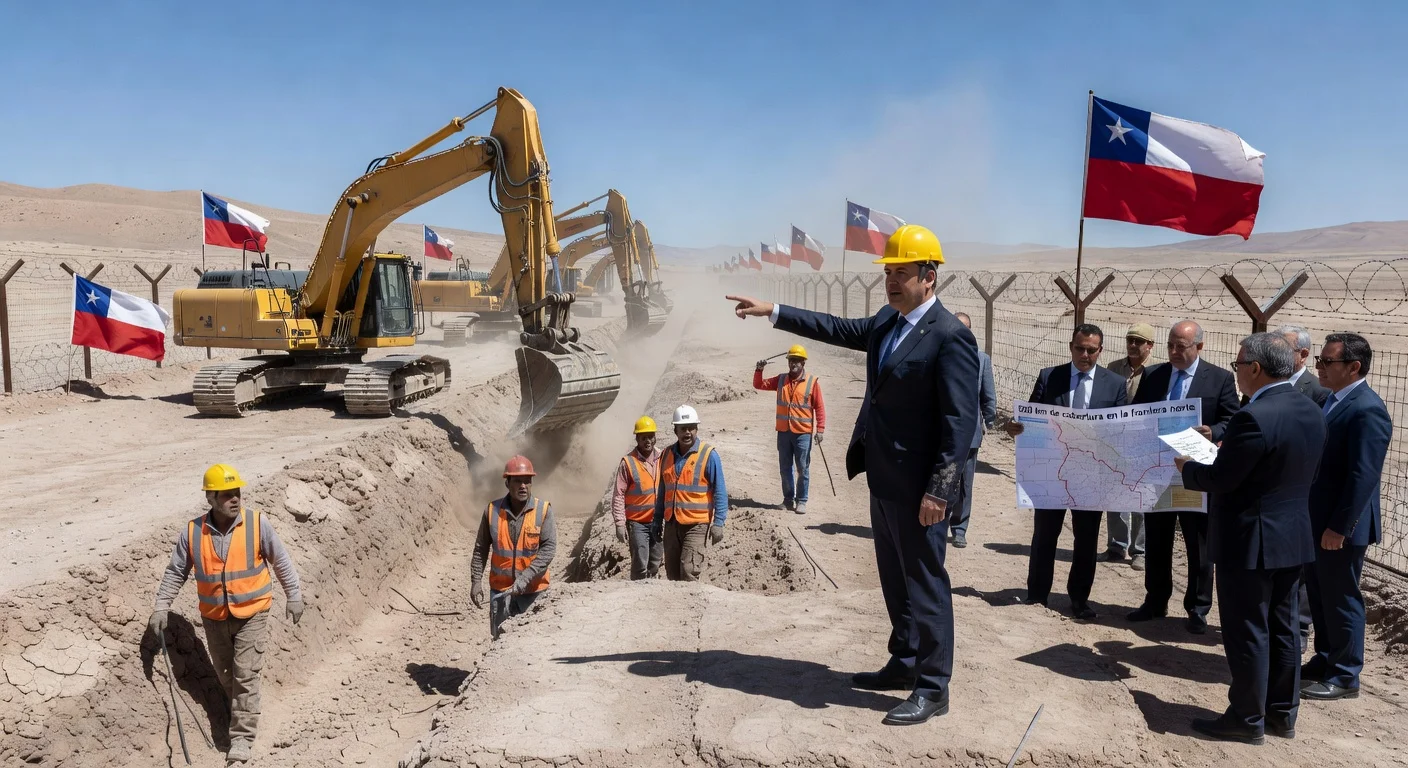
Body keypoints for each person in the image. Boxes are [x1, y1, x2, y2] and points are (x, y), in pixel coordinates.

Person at [726, 224, 979, 726]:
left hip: (921, 490)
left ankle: (933, 686)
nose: (890, 281)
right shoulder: (888, 321)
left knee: (926, 582)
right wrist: (773, 311)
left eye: (901, 273)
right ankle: (904, 663)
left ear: (929, 277)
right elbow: (836, 329)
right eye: (887, 272)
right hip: (884, 480)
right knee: (894, 581)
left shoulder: (952, 338)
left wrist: (940, 490)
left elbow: (960, 424)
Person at [1176, 332, 1325, 744]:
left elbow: (1222, 479)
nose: (1236, 372)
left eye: (1238, 364)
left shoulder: (1252, 417)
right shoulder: (1310, 409)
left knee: (1247, 631)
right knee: (1284, 627)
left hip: (1250, 541)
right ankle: (1282, 713)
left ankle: (1245, 718)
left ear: (1255, 369)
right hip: (1292, 536)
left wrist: (1188, 467)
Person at [148, 464, 304, 764]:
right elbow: (176, 572)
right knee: (225, 674)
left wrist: (293, 595)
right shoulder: (193, 532)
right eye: (227, 495)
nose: (235, 499)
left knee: (245, 675)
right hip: (214, 617)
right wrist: (161, 606)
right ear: (211, 498)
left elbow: (281, 560)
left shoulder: (258, 524)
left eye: (238, 493)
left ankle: (242, 739)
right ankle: (242, 710)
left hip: (253, 613)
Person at [1006, 324, 1127, 619]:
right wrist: (1018, 427)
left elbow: (1120, 430)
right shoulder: (1051, 377)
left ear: (1101, 350)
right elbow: (1032, 416)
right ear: (1070, 346)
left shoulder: (1115, 384)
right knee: (1045, 535)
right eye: (1079, 348)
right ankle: (1036, 595)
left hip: (1091, 475)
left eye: (1091, 350)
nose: (1084, 355)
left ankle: (1079, 600)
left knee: (1086, 541)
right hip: (1053, 472)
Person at [1128, 320, 1239, 634]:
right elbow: (1137, 413)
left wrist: (1212, 431)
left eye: (1182, 347)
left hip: (1197, 474)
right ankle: (1155, 600)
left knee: (1199, 544)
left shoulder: (1219, 379)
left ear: (1199, 347)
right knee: (1158, 538)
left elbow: (1233, 420)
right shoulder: (1154, 375)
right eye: (1171, 345)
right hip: (1159, 472)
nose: (1175, 352)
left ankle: (1198, 607)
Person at [1303, 333, 1392, 701]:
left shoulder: (1367, 408)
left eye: (1327, 362)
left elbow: (1363, 476)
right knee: (1320, 594)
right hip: (1317, 519)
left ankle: (1345, 674)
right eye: (1319, 360)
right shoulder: (1332, 400)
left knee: (1341, 597)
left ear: (1353, 367)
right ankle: (1325, 659)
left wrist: (1340, 526)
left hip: (1340, 526)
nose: (1319, 368)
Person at [1270, 325, 1330, 650]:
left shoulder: (1318, 392)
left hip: (1303, 489)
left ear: (1303, 354)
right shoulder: (1268, 384)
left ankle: (1300, 628)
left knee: (1303, 566)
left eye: (1283, 349)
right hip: (1273, 491)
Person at [471, 456, 556, 617]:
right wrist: (476, 581)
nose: (523, 486)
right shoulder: (492, 511)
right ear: (507, 484)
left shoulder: (543, 511)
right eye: (517, 481)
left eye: (527, 481)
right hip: (501, 592)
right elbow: (480, 549)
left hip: (534, 593)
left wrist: (525, 579)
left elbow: (549, 549)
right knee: (501, 641)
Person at [651, 405, 729, 581]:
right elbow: (663, 490)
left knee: (688, 571)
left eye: (691, 428)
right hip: (671, 523)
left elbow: (720, 491)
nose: (688, 433)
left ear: (697, 429)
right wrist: (657, 520)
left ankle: (691, 608)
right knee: (672, 574)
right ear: (675, 430)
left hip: (696, 525)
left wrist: (719, 523)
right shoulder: (666, 455)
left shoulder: (709, 455)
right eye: (683, 429)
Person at [1102, 322, 1156, 569]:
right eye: (1130, 340)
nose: (1133, 345)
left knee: (1142, 497)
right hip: (1116, 442)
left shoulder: (1157, 372)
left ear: (1150, 345)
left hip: (1144, 443)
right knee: (1115, 495)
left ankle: (1141, 551)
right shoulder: (1114, 368)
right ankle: (1116, 546)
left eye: (1138, 341)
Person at [753, 344, 827, 514]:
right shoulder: (780, 380)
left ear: (803, 363)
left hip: (803, 433)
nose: (793, 363)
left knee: (802, 467)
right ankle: (788, 500)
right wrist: (759, 369)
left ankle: (802, 500)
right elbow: (759, 384)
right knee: (785, 468)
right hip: (784, 433)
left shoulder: (812, 383)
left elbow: (820, 407)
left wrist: (820, 429)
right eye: (791, 360)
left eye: (797, 361)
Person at [951, 312, 996, 548]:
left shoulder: (982, 360)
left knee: (964, 484)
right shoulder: (940, 354)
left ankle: (959, 527)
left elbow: (988, 396)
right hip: (942, 431)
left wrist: (989, 421)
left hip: (970, 433)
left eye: (965, 328)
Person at [612, 416, 664, 580]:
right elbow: (618, 495)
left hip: (658, 521)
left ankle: (651, 593)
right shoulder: (628, 462)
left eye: (650, 436)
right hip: (637, 523)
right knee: (640, 562)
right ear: (637, 439)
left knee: (655, 561)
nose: (647, 441)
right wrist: (620, 524)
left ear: (655, 437)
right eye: (643, 437)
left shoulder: (663, 457)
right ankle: (637, 592)